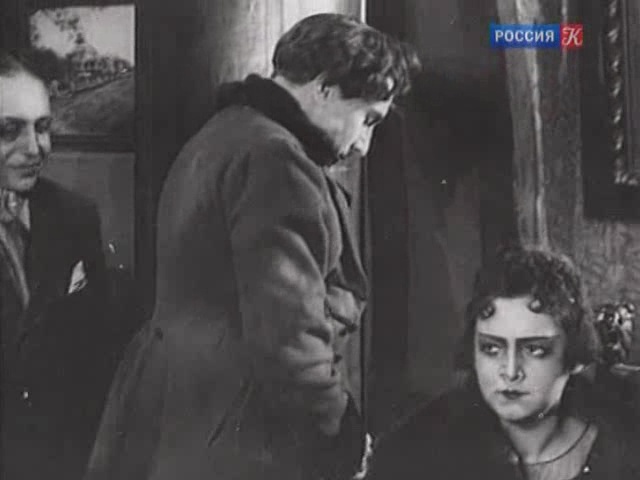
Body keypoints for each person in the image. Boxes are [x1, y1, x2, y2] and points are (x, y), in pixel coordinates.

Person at [84, 13, 421, 480]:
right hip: (235, 424)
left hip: (177, 407)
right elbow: (289, 337)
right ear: (324, 88)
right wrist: (338, 434)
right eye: (367, 119)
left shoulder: (226, 132)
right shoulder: (276, 159)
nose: (364, 144)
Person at [368, 246, 640, 480]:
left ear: (574, 357)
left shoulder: (625, 447)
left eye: (534, 350)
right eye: (491, 348)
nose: (510, 372)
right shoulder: (416, 448)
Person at [0, 51, 109, 479]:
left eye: (43, 127)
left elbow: (96, 350)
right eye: (9, 130)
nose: (35, 148)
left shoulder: (75, 216)